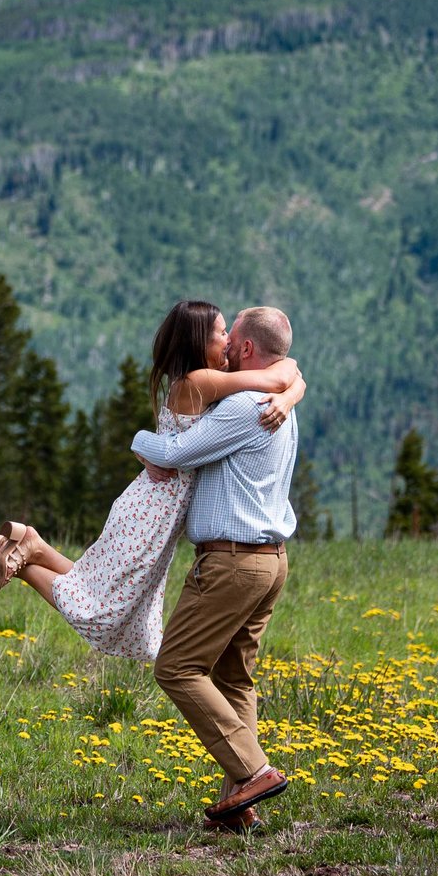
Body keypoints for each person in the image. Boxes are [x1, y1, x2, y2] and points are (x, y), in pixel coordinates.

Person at [0, 300, 302, 670]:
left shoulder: (205, 381)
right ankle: (24, 563)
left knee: (108, 597)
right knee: (106, 615)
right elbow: (279, 375)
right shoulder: (202, 381)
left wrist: (290, 394)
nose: (227, 343)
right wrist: (288, 394)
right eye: (221, 334)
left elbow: (288, 371)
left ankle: (32, 546)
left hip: (157, 508)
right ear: (197, 342)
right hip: (153, 511)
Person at [133, 305, 300, 831]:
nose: (224, 346)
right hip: (270, 563)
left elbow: (174, 452)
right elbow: (291, 373)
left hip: (231, 562)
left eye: (231, 339)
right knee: (234, 678)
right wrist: (293, 383)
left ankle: (254, 772)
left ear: (248, 350)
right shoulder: (279, 405)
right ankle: (240, 805)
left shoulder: (243, 407)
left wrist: (136, 440)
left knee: (177, 666)